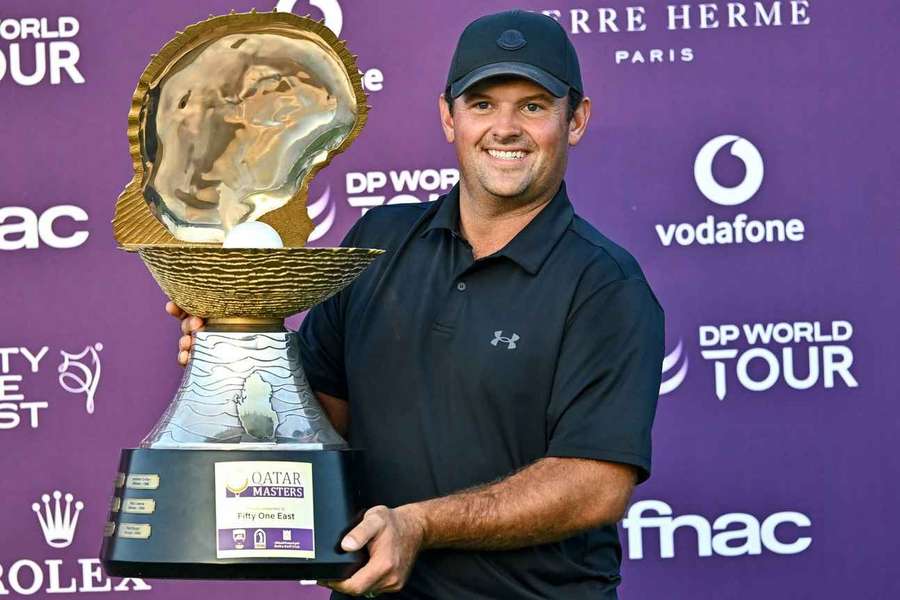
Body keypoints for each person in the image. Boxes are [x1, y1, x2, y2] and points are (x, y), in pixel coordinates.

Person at [169, 10, 664, 599]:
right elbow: (318, 423)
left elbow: (594, 484)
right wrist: (242, 355)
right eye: (482, 104)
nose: (505, 127)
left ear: (575, 119)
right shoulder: (379, 243)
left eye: (532, 106)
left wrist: (420, 524)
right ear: (447, 117)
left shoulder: (604, 285)